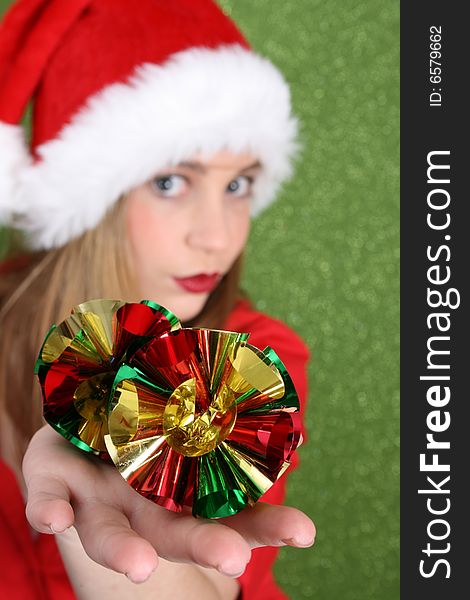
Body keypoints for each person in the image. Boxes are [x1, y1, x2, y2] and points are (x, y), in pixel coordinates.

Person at [0, 1, 316, 598]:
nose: (218, 236)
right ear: (89, 198)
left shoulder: (251, 362)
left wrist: (84, 510)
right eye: (170, 181)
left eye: (238, 184)